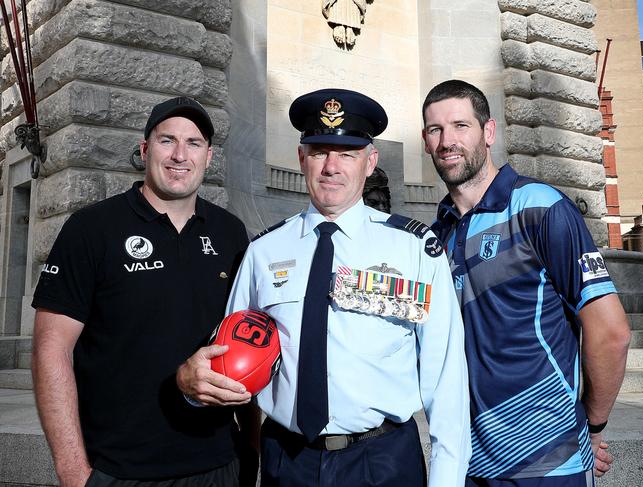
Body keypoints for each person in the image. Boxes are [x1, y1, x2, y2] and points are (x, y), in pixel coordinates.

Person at [178, 88, 471, 486]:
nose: (331, 167)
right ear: (301, 158)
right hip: (288, 459)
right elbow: (227, 358)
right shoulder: (264, 252)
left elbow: (446, 381)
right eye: (319, 151)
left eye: (347, 154)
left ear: (370, 162)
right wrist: (194, 388)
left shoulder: (414, 250)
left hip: (383, 462)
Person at [31, 96, 256, 487]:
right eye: (167, 141)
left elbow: (244, 341)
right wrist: (73, 473)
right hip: (121, 470)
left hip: (219, 466)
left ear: (209, 157)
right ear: (145, 149)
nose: (180, 155)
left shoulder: (231, 233)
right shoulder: (92, 229)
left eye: (194, 143)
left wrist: (251, 448)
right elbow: (51, 350)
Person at [421, 79, 631, 486]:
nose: (448, 140)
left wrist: (592, 423)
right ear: (426, 142)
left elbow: (611, 333)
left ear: (489, 132)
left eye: (461, 126)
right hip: (467, 463)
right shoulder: (435, 237)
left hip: (547, 465)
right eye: (435, 130)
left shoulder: (541, 208)